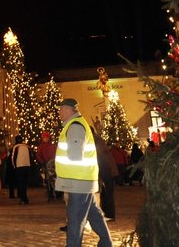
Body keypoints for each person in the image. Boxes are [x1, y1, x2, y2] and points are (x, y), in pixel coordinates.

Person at [55, 98, 113, 247]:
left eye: (61, 109)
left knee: (75, 220)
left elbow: (75, 155)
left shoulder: (74, 126)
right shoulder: (76, 124)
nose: (59, 112)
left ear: (68, 110)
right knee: (95, 215)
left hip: (78, 182)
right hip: (83, 181)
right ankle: (106, 243)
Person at [93, 129, 118, 221]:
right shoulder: (98, 140)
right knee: (106, 193)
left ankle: (109, 215)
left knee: (107, 193)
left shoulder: (95, 141)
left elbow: (100, 157)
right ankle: (107, 214)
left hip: (106, 170)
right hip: (107, 170)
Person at [36, 131, 58, 202]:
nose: (45, 139)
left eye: (46, 138)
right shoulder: (41, 147)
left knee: (54, 179)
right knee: (48, 180)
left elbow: (56, 153)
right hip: (46, 164)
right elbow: (39, 155)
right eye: (44, 138)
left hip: (53, 164)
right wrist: (42, 162)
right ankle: (50, 193)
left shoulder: (53, 146)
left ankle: (57, 193)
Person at [11, 134, 31, 204]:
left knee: (20, 183)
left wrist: (14, 166)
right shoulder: (27, 147)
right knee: (25, 183)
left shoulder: (16, 147)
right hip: (27, 166)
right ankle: (25, 198)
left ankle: (22, 198)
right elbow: (31, 157)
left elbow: (13, 158)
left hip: (19, 167)